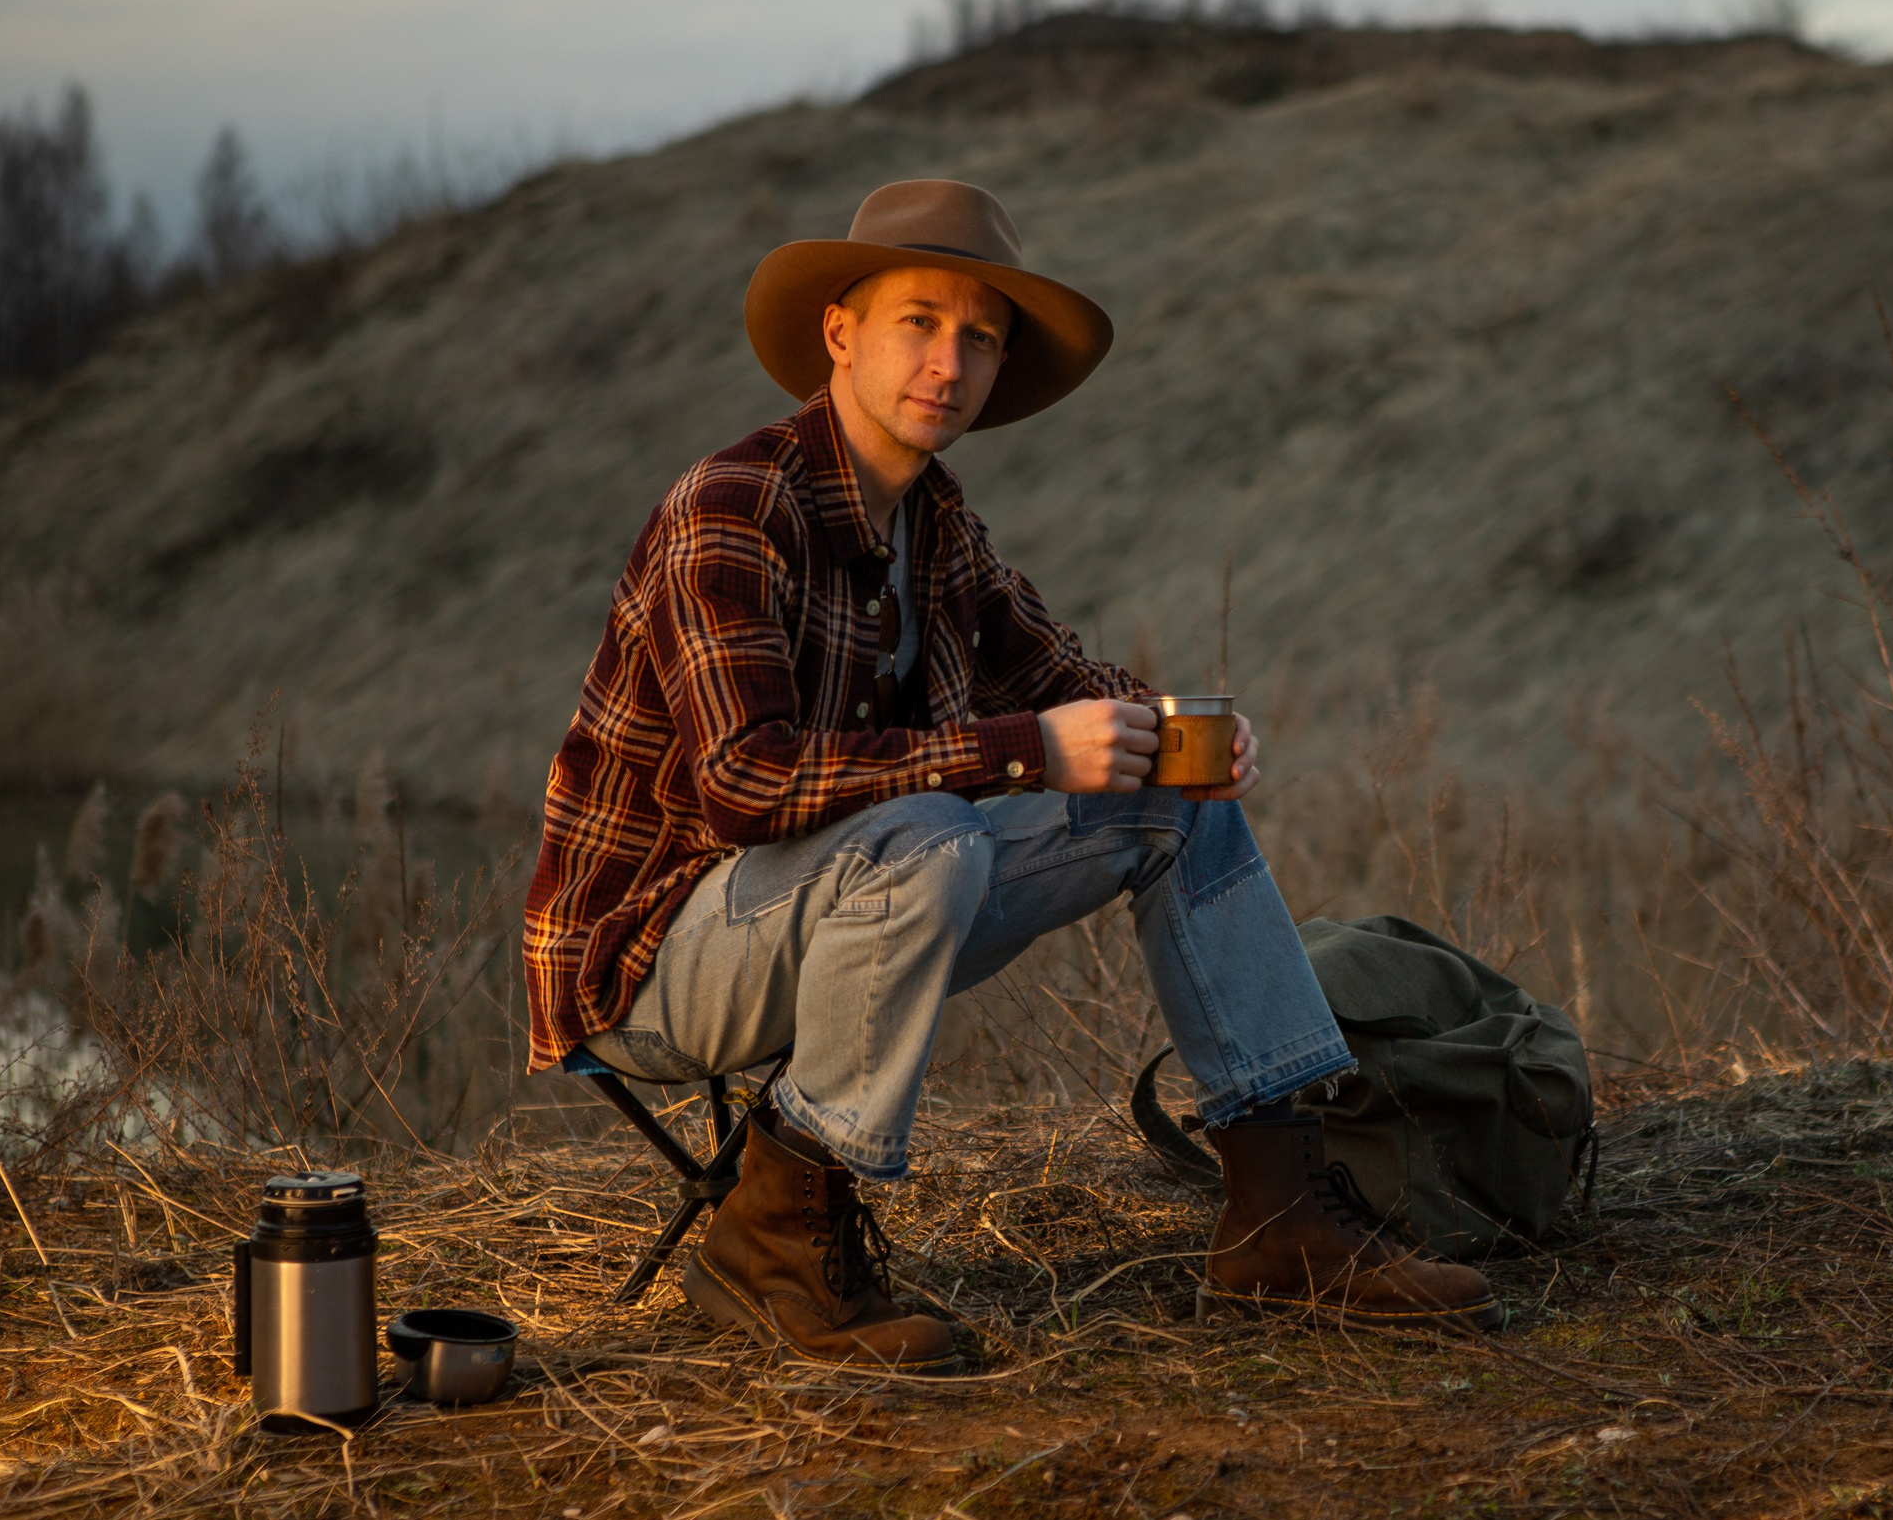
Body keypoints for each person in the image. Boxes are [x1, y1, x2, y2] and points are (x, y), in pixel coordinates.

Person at [522, 179, 1502, 1370]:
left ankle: (1280, 1215)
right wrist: (1025, 751)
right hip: (658, 957)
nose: (949, 360)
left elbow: (1064, 680)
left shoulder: (934, 524)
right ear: (842, 332)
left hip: (855, 904)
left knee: (1165, 804)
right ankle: (772, 1238)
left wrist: (1175, 736)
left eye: (978, 337)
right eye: (918, 322)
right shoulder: (734, 508)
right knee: (928, 827)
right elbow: (743, 784)